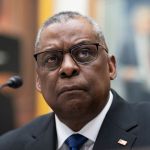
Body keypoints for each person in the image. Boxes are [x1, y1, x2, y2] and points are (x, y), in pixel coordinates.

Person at [0, 11, 150, 150]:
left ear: (110, 67)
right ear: (38, 81)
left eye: (84, 52)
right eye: (52, 58)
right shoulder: (11, 145)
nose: (68, 67)